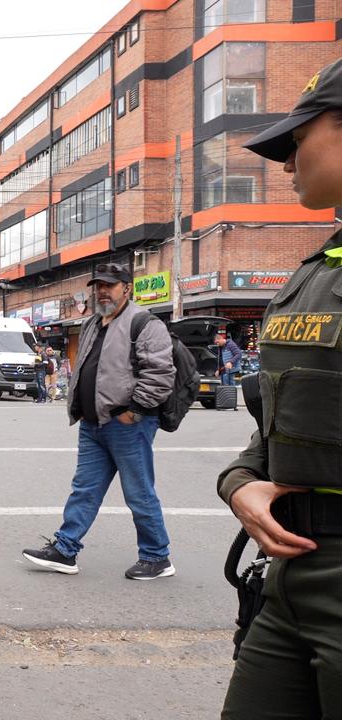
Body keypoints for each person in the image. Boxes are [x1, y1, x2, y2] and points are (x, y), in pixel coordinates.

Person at [218, 57, 342, 718]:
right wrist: (242, 482)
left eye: (299, 139)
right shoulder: (314, 270)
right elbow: (283, 418)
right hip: (291, 577)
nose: (287, 164)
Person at [22, 262, 177, 580]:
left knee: (139, 492)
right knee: (84, 489)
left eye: (110, 284)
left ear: (127, 287)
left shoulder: (144, 323)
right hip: (93, 424)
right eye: (98, 285)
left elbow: (161, 374)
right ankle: (65, 550)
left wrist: (133, 410)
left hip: (127, 424)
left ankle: (157, 556)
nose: (102, 290)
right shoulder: (94, 322)